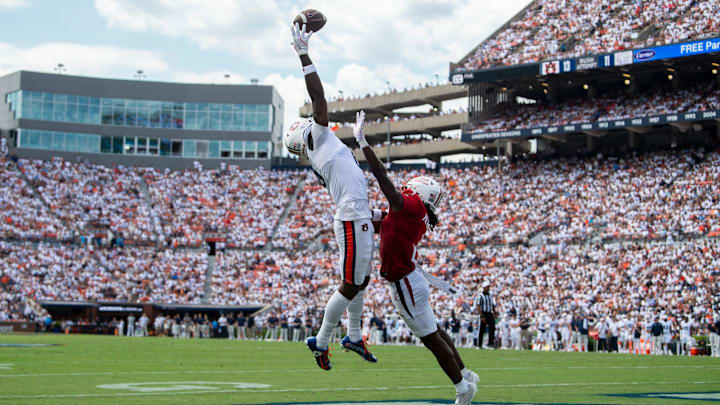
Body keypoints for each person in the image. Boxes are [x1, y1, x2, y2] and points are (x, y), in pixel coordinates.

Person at [353, 110, 478, 405]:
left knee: (431, 339)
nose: (406, 188)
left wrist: (363, 143)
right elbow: (385, 218)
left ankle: (462, 387)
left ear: (419, 191)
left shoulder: (410, 206)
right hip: (411, 279)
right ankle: (465, 374)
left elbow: (383, 180)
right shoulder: (415, 212)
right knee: (436, 333)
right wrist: (358, 213)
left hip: (405, 282)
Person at [289, 23, 376, 370]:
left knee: (362, 280)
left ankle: (353, 335)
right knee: (351, 283)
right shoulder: (319, 139)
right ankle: (321, 340)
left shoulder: (320, 148)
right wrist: (304, 56)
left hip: (358, 214)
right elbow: (319, 99)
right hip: (352, 216)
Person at [475, 281, 496, 349]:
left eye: (489, 286)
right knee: (481, 329)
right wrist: (481, 316)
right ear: (484, 288)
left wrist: (495, 312)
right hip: (483, 313)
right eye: (487, 287)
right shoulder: (480, 295)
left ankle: (490, 343)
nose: (488, 288)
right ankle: (479, 344)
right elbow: (478, 305)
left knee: (492, 328)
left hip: (490, 313)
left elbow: (492, 304)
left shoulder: (490, 295)